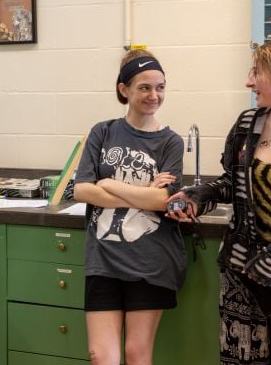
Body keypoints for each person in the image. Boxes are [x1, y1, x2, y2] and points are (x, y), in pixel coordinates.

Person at [167, 39, 271, 365]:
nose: (249, 81)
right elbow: (232, 182)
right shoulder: (248, 125)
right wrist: (198, 197)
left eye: (256, 72)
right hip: (241, 276)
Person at [73, 49, 186, 365]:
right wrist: (142, 193)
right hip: (103, 259)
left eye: (160, 87)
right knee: (101, 357)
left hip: (150, 262)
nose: (154, 95)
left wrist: (107, 185)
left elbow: (163, 201)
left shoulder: (170, 142)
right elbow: (82, 190)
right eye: (145, 88)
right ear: (124, 90)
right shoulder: (103, 131)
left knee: (137, 354)